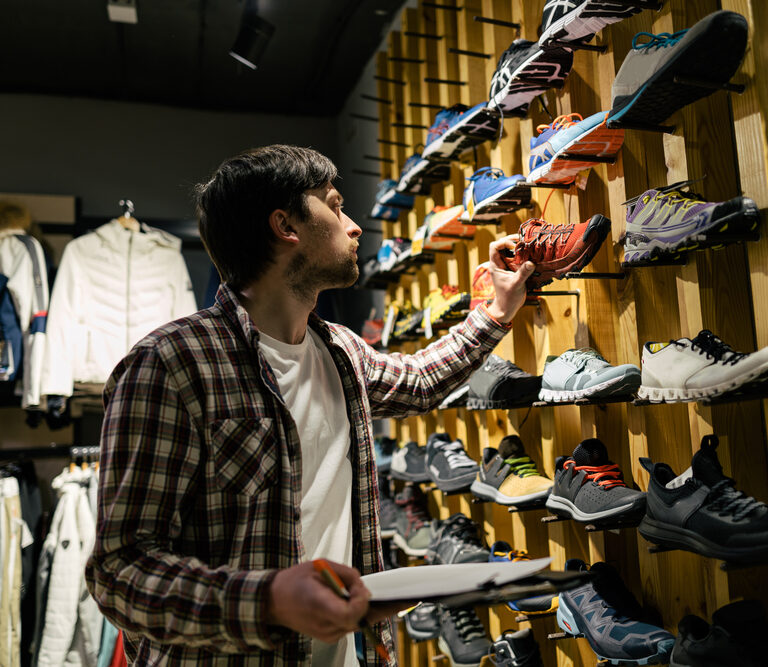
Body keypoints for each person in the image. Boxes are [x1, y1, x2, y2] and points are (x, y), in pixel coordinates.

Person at [84, 144, 535, 666]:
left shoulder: (340, 352)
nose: (354, 226)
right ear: (286, 225)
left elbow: (419, 381)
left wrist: (498, 309)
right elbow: (119, 571)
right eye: (335, 205)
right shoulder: (169, 366)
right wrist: (270, 601)